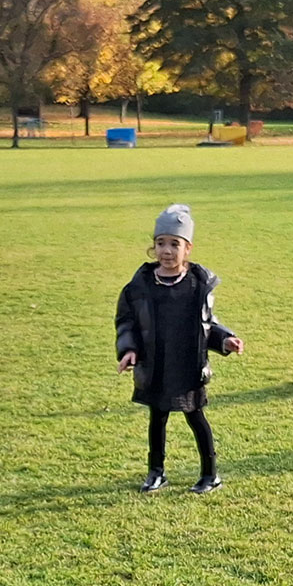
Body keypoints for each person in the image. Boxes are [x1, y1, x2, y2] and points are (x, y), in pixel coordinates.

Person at [116, 203, 243, 493]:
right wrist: (129, 349)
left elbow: (206, 325)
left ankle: (210, 474)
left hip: (187, 366)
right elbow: (127, 322)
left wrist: (225, 340)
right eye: (161, 243)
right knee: (156, 419)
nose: (167, 251)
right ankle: (156, 472)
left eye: (175, 244)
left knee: (196, 418)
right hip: (156, 364)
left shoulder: (197, 286)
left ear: (188, 248)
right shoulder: (141, 285)